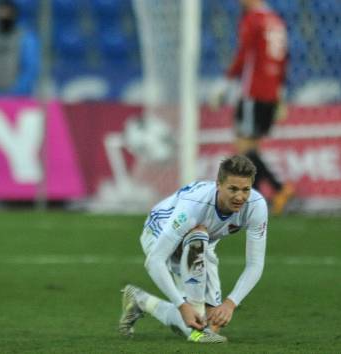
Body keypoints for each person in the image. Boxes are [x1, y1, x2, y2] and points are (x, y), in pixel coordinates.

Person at [119, 155, 267, 343]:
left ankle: (140, 300)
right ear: (218, 185)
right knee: (198, 235)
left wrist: (230, 303)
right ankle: (196, 322)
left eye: (245, 190)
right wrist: (182, 306)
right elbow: (155, 261)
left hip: (202, 242)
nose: (240, 197)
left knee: (211, 322)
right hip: (159, 232)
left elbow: (255, 263)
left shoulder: (256, 206)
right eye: (233, 189)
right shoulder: (194, 207)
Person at [211, 0, 294, 215]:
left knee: (243, 146)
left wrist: (226, 84)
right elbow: (284, 59)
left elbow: (244, 54)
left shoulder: (253, 20)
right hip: (270, 92)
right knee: (252, 147)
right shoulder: (275, 20)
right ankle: (256, 200)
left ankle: (279, 188)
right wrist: (280, 94)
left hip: (253, 92)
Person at [0, 0, 40, 96]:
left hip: (18, 98)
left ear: (14, 15)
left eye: (6, 13)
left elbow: (31, 68)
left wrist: (16, 91)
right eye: (0, 13)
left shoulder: (26, 38)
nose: (2, 16)